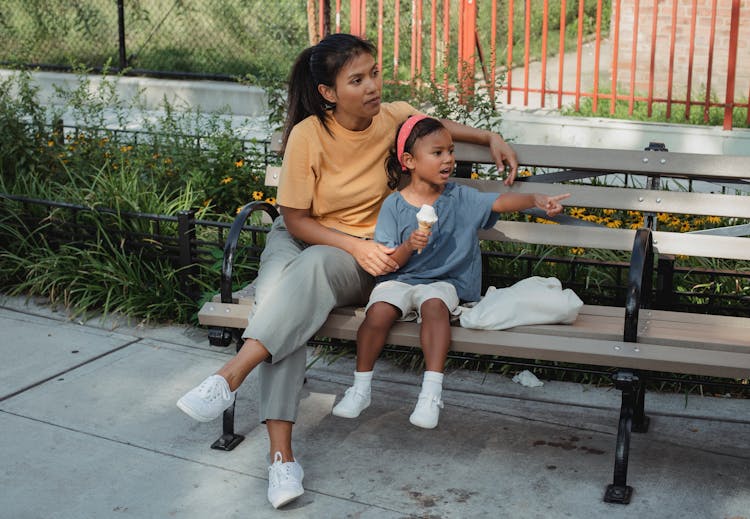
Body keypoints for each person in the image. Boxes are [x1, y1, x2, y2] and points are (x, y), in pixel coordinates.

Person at [176, 33, 519, 509]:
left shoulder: (394, 118)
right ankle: (281, 458)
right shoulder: (309, 135)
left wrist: (489, 138)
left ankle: (231, 379)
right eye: (357, 80)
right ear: (329, 93)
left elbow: (436, 125)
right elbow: (295, 220)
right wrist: (352, 245)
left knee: (292, 293)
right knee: (291, 304)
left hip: (357, 257)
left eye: (375, 73)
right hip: (302, 239)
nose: (373, 86)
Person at [331, 115, 569, 429]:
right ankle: (360, 388)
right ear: (409, 161)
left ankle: (431, 393)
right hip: (400, 280)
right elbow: (390, 262)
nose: (448, 160)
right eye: (438, 153)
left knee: (434, 306)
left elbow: (499, 202)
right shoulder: (393, 206)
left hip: (445, 283)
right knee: (378, 312)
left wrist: (535, 199)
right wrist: (409, 244)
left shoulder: (461, 198)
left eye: (451, 151)